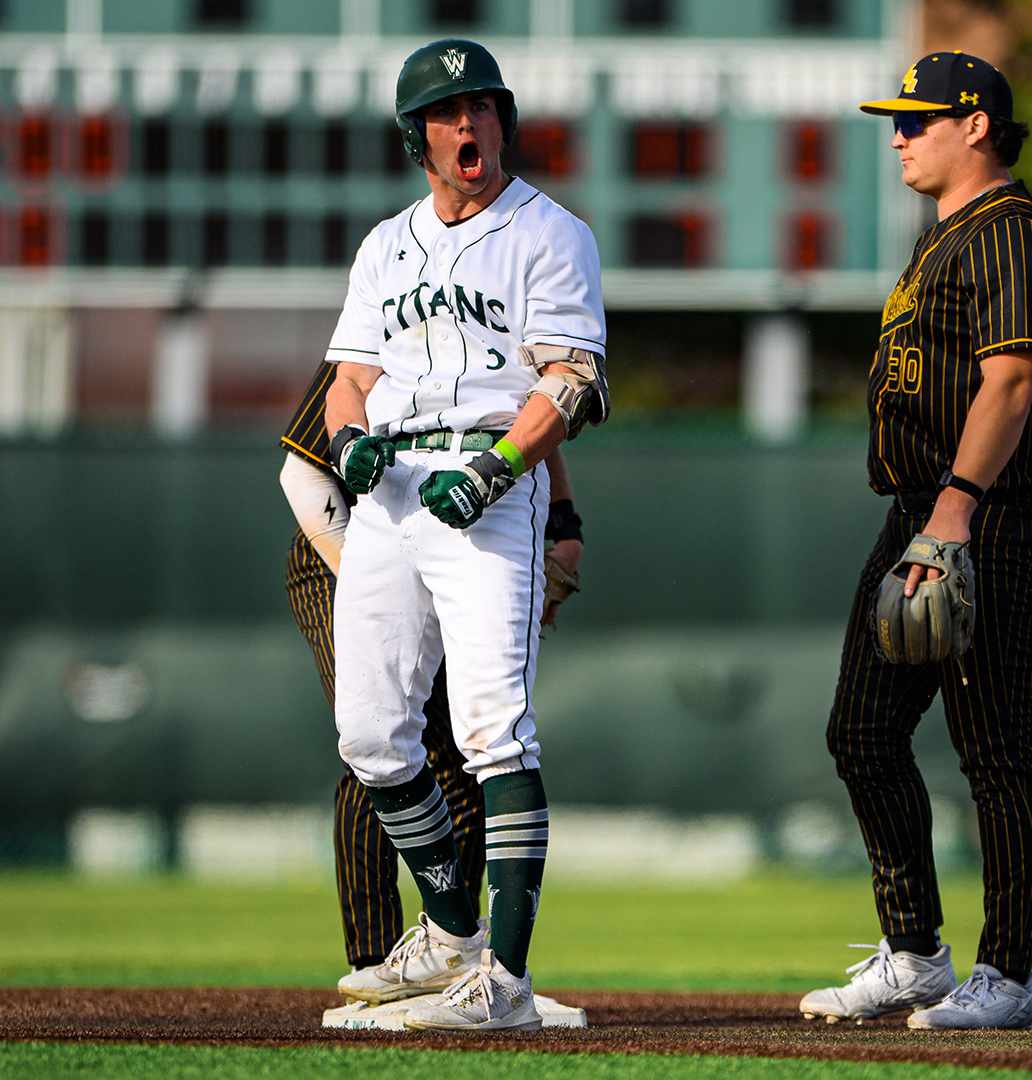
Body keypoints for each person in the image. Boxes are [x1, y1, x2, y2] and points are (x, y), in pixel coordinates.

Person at [319, 38, 609, 1033]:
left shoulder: (551, 233)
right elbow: (349, 381)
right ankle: (450, 931)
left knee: (493, 728)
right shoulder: (384, 245)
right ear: (419, 136)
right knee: (370, 732)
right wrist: (349, 440)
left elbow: (570, 377)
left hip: (488, 484)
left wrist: (501, 470)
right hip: (387, 492)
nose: (470, 123)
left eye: (483, 105)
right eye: (448, 112)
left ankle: (509, 985)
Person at [800, 51, 1032, 1031]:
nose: (900, 134)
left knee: (995, 747)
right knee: (861, 731)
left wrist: (953, 511)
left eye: (918, 119)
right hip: (923, 509)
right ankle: (915, 953)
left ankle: (1006, 975)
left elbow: (1011, 382)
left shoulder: (1011, 234)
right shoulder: (943, 237)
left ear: (977, 126)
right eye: (897, 119)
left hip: (986, 511)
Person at [277, 359, 585, 1013]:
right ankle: (377, 954)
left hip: (453, 547)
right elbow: (302, 474)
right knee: (381, 741)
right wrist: (377, 587)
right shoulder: (401, 321)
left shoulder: (511, 320)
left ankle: (453, 951)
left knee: (470, 757)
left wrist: (564, 526)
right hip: (338, 548)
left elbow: (537, 424)